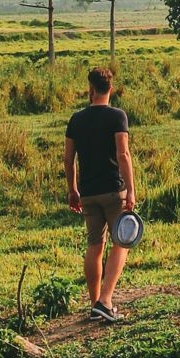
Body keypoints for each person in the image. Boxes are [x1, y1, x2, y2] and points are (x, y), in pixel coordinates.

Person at [64, 65, 137, 324]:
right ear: (111, 90)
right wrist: (131, 190)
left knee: (94, 245)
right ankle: (105, 301)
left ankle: (95, 303)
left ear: (90, 89)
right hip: (113, 190)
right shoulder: (118, 116)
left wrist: (73, 189)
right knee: (122, 242)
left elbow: (68, 159)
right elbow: (123, 154)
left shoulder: (76, 119)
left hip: (88, 193)